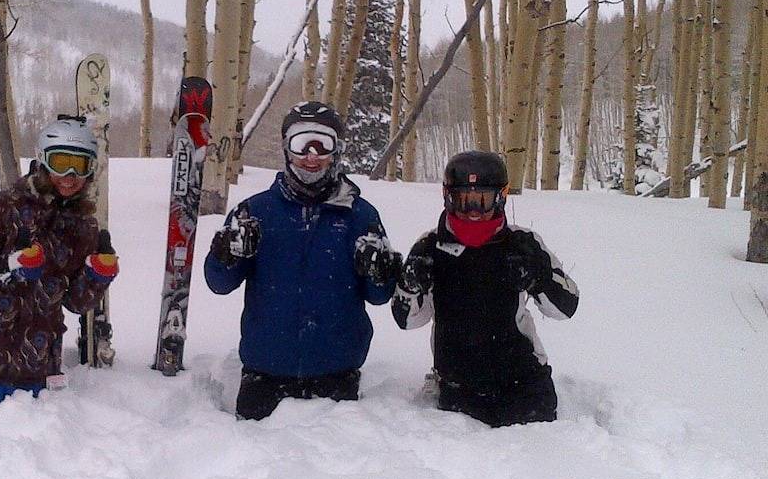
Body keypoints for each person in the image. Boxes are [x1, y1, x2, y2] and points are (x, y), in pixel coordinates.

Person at [204, 101, 402, 420]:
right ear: (287, 149)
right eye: (301, 143)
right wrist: (226, 254)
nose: (311, 156)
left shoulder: (360, 215)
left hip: (336, 377)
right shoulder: (255, 212)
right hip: (265, 376)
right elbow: (218, 283)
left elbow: (379, 297)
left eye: (322, 144)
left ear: (336, 151)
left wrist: (381, 271)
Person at [0, 116, 119, 419]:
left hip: (36, 375)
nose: (69, 175)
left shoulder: (84, 226)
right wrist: (9, 267)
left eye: (79, 165)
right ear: (43, 161)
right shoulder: (1, 209)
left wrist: (98, 277)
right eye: (61, 162)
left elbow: (74, 302)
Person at [392, 150, 579, 428]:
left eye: (483, 200)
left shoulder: (523, 243)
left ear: (501, 198)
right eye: (465, 201)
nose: (474, 212)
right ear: (448, 197)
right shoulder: (430, 247)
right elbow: (408, 321)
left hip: (523, 383)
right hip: (458, 388)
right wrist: (410, 285)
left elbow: (566, 308)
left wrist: (539, 278)